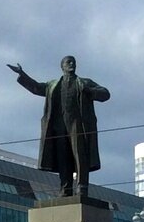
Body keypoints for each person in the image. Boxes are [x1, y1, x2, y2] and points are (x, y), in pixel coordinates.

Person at [8, 56, 111, 198]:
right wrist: (22, 74)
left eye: (73, 62)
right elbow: (37, 88)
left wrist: (90, 91)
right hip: (59, 126)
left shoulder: (84, 82)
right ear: (61, 66)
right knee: (64, 157)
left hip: (78, 125)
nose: (72, 64)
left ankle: (81, 188)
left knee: (80, 156)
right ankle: (66, 188)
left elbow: (105, 94)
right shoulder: (53, 85)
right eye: (68, 62)